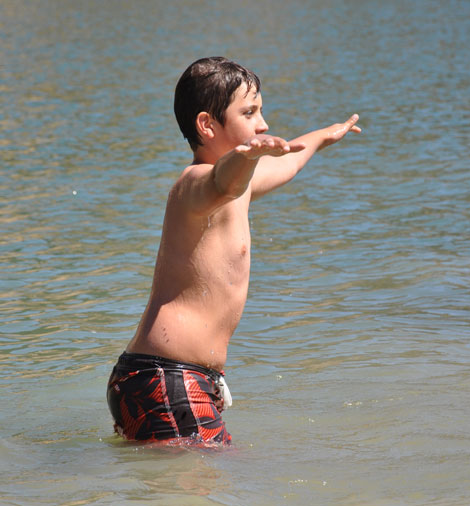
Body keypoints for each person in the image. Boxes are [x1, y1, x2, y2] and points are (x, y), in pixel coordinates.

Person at [107, 57, 361, 444]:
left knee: (205, 479)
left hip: (168, 377)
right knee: (212, 475)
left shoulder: (242, 183)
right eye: (249, 113)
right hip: (168, 377)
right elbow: (221, 183)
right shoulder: (193, 186)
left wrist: (326, 134)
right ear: (207, 125)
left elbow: (290, 160)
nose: (263, 124)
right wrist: (247, 155)